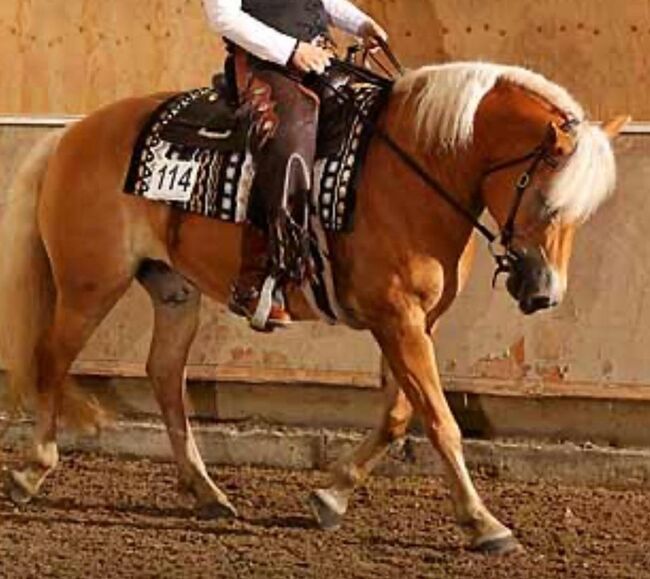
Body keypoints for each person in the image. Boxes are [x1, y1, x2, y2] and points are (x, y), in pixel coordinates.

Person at [203, 0, 388, 330]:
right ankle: (256, 279)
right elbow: (223, 16)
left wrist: (360, 23)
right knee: (289, 142)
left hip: (318, 59)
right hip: (264, 66)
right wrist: (290, 50)